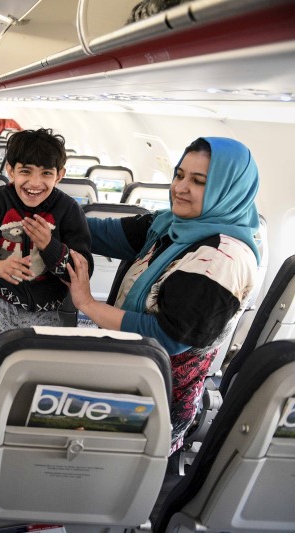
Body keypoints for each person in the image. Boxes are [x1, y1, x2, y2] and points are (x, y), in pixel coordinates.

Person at [65, 137, 259, 455]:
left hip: (155, 402)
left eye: (198, 181)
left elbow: (166, 337)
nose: (180, 187)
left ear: (229, 188)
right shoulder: (173, 225)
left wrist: (87, 304)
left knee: (110, 483)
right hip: (126, 379)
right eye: (179, 175)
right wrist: (51, 217)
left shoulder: (223, 259)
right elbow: (105, 234)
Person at [0, 128, 93, 387]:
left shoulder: (68, 210)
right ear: (11, 170)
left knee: (36, 379)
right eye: (26, 171)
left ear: (60, 175)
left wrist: (50, 246)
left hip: (45, 308)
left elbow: (83, 268)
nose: (34, 183)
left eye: (46, 173)